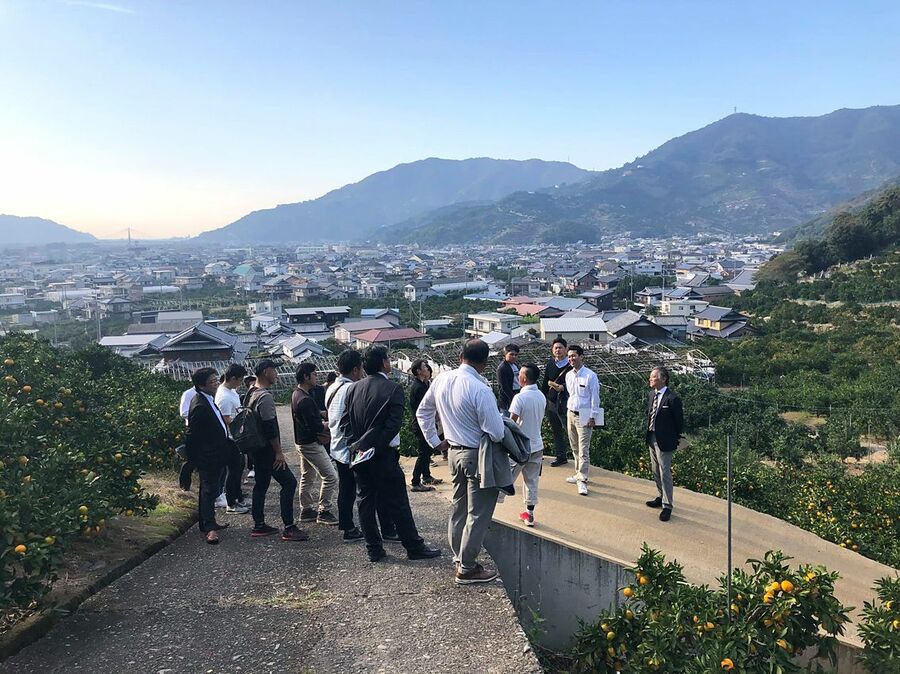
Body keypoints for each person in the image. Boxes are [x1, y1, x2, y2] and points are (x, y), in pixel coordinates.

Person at [416, 338, 505, 585]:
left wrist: (435, 441)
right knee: (478, 513)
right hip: (476, 455)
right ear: (484, 363)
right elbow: (496, 432)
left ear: (460, 357)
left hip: (453, 453)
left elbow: (423, 412)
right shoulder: (480, 388)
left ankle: (459, 557)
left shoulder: (441, 380)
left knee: (459, 509)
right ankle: (467, 568)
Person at [340, 346, 441, 563]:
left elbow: (345, 424)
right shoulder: (392, 388)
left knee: (365, 500)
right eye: (388, 359)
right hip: (383, 454)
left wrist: (356, 447)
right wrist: (374, 448)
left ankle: (374, 549)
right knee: (397, 502)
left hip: (359, 454)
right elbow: (392, 427)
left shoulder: (353, 388)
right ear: (384, 363)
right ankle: (413, 547)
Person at [327, 349, 397, 543]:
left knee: (346, 489)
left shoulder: (332, 388)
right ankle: (381, 531)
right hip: (353, 448)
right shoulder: (352, 389)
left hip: (338, 446)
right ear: (356, 369)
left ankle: (348, 526)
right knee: (370, 493)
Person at [245, 359, 308, 541]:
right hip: (267, 450)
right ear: (266, 372)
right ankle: (289, 527)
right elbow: (270, 427)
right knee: (289, 483)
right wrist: (278, 452)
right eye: (274, 370)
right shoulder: (264, 397)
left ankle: (259, 525)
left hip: (256, 448)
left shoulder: (250, 392)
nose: (277, 374)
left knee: (261, 485)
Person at [185, 367, 235, 545]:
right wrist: (194, 459)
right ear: (201, 385)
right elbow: (192, 435)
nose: (216, 384)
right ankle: (209, 528)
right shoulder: (200, 405)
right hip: (208, 456)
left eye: (216, 380)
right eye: (212, 381)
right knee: (208, 490)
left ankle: (207, 522)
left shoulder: (208, 399)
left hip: (217, 454)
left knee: (210, 489)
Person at [292, 362, 339, 526]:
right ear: (306, 377)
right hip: (311, 444)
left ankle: (306, 509)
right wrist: (330, 423)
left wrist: (318, 413)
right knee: (331, 476)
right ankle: (324, 511)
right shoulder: (305, 399)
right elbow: (316, 427)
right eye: (314, 374)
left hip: (301, 442)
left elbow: (306, 417)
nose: (316, 377)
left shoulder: (297, 394)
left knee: (308, 476)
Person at [507, 363, 546, 527]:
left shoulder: (520, 398)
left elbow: (511, 423)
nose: (518, 376)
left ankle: (489, 508)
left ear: (524, 378)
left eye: (520, 374)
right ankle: (529, 514)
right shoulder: (541, 396)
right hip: (537, 445)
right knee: (532, 481)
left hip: (520, 446)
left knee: (505, 478)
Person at [645, 366, 683, 522]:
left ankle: (667, 506)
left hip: (665, 440)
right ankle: (661, 496)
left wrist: (676, 439)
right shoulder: (651, 395)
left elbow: (679, 422)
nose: (650, 379)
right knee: (655, 470)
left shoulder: (672, 399)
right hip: (652, 436)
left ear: (663, 379)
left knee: (665, 472)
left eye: (653, 377)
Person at [564, 345, 601, 496]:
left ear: (581, 357)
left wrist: (593, 416)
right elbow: (571, 394)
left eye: (574, 356)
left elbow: (595, 398)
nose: (571, 359)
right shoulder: (568, 375)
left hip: (585, 414)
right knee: (574, 447)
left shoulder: (590, 376)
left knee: (583, 449)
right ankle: (578, 473)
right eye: (569, 356)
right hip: (570, 413)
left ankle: (583, 480)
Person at [214, 363, 250, 514]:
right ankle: (231, 504)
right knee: (233, 471)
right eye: (240, 380)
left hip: (237, 437)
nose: (241, 383)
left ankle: (238, 498)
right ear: (233, 378)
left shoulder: (231, 391)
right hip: (230, 438)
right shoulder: (223, 396)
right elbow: (225, 418)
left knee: (239, 469)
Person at [409, 358, 442, 491]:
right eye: (424, 366)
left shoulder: (423, 385)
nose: (427, 368)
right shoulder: (419, 387)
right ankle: (415, 482)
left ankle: (426, 476)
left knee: (427, 452)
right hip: (422, 425)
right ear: (418, 371)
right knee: (423, 453)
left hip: (423, 424)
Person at [541, 337, 572, 467]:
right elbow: (545, 382)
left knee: (570, 430)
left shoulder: (570, 365)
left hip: (566, 402)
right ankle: (561, 456)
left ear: (566, 349)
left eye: (560, 347)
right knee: (556, 430)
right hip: (552, 402)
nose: (558, 350)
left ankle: (577, 455)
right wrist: (542, 398)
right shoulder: (550, 364)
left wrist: (563, 387)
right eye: (556, 348)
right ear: (552, 350)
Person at [495, 343, 521, 414]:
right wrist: (514, 399)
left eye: (516, 355)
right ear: (505, 354)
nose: (514, 356)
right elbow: (504, 387)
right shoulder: (502, 368)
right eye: (511, 354)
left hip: (517, 393)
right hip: (506, 400)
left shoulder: (516, 366)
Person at [242, 374, 257, 480]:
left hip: (257, 426)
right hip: (248, 427)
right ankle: (251, 468)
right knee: (250, 449)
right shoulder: (245, 397)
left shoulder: (260, 395)